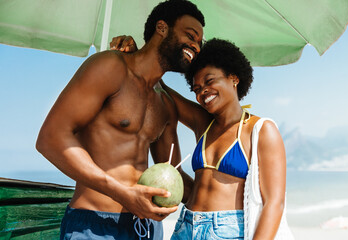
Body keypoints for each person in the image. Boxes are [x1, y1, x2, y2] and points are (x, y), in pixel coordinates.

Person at [35, 0, 205, 239]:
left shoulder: (166, 104)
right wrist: (123, 193)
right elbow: (50, 139)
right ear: (162, 28)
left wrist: (224, 199)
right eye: (191, 35)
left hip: (144, 229)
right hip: (94, 225)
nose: (196, 46)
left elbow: (172, 174)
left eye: (199, 42)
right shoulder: (110, 67)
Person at [114, 37, 293, 239]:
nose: (202, 92)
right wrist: (138, 53)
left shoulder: (261, 130)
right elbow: (161, 91)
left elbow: (274, 203)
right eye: (196, 89)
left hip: (227, 231)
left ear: (234, 78)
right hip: (185, 226)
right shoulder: (204, 123)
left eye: (209, 81)